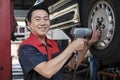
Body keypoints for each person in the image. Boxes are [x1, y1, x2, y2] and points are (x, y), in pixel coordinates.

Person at [18, 3, 100, 80]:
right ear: (29, 24)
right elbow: (47, 71)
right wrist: (71, 47)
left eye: (46, 19)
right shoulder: (26, 48)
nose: (43, 23)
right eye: (37, 19)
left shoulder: (54, 44)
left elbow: (72, 65)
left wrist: (88, 44)